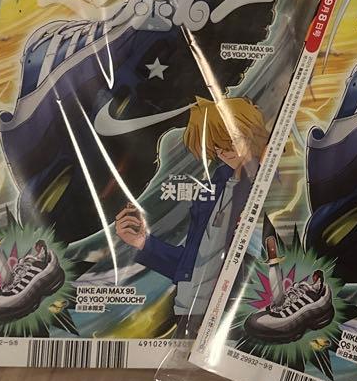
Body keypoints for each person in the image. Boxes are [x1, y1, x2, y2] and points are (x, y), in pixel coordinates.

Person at [114, 97, 268, 339]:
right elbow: (193, 263)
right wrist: (144, 243)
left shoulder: (268, 184)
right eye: (216, 147)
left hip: (237, 311)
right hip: (190, 310)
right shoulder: (215, 188)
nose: (224, 152)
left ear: (252, 133)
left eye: (231, 141)